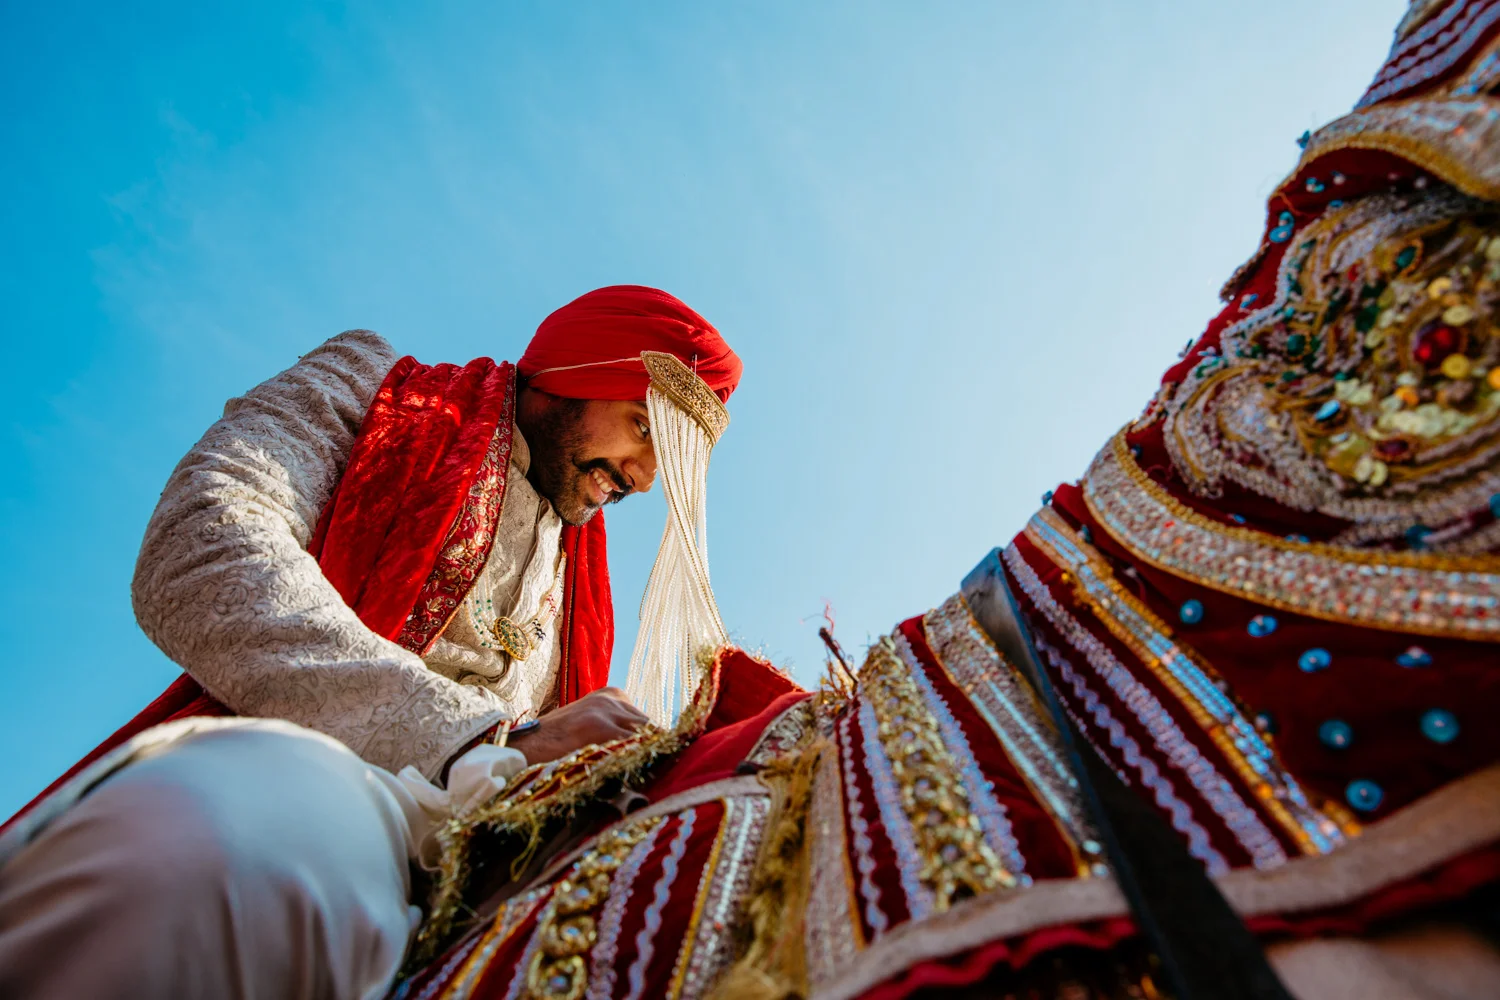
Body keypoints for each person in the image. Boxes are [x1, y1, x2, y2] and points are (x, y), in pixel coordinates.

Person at [0, 285, 751, 999]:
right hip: (322, 785)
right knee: (204, 857)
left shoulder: (582, 584)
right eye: (644, 427)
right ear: (570, 378)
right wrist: (487, 741)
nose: (647, 479)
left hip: (493, 867)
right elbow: (201, 551)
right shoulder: (375, 389)